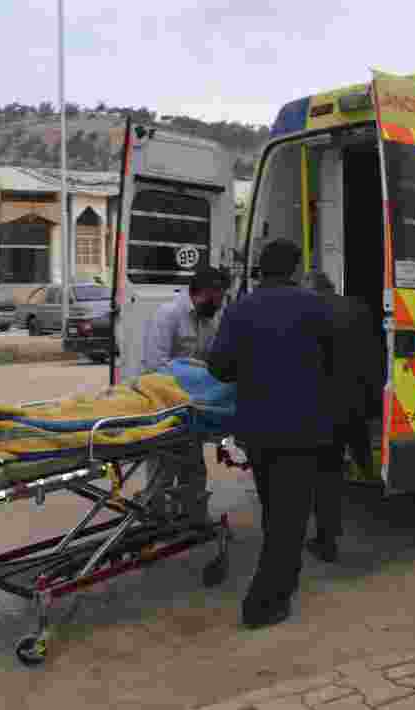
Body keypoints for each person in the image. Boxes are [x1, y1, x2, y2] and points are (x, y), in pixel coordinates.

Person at [207, 240, 336, 629]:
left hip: (258, 431)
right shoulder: (315, 307)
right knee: (289, 520)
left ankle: (280, 585)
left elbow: (220, 367)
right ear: (295, 269)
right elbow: (334, 361)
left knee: (275, 511)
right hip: (303, 430)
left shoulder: (239, 309)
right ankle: (263, 604)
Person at [137, 266, 231, 525]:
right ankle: (154, 520)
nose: (221, 303)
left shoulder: (209, 321)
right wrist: (194, 377)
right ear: (205, 293)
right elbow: (156, 367)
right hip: (163, 405)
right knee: (162, 470)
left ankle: (193, 518)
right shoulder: (168, 315)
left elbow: (211, 365)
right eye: (219, 297)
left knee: (194, 468)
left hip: (191, 409)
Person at [300, 270, 377, 563]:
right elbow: (373, 352)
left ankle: (327, 540)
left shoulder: (311, 313)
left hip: (326, 407)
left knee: (326, 475)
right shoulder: (358, 307)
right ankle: (374, 494)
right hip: (358, 401)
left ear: (313, 289)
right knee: (362, 455)